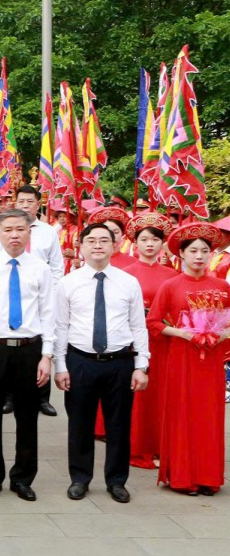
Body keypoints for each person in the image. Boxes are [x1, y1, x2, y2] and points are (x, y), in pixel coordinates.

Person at [53, 224, 149, 503]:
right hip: (80, 360)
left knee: (118, 425)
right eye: (91, 241)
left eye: (104, 241)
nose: (97, 245)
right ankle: (80, 479)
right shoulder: (68, 282)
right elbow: (60, 326)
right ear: (81, 246)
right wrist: (61, 365)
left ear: (114, 245)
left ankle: (117, 481)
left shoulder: (128, 282)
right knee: (79, 424)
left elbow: (138, 326)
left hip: (119, 362)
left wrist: (141, 365)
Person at [0, 210, 56, 502]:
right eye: (8, 230)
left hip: (29, 349)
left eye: (20, 229)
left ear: (29, 232)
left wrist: (47, 355)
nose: (14, 235)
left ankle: (22, 478)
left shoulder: (40, 268)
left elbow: (48, 314)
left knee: (27, 416)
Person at [147, 222, 230, 495]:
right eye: (193, 250)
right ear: (181, 254)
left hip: (211, 361)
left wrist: (220, 335)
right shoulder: (171, 286)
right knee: (182, 415)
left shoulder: (221, 286)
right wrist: (185, 334)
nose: (199, 256)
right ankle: (182, 477)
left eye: (204, 251)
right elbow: (155, 323)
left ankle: (208, 477)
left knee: (210, 418)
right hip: (181, 358)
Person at [122, 212, 176, 469]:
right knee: (138, 395)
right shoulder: (125, 274)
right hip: (134, 340)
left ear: (162, 243)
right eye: (144, 239)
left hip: (164, 340)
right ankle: (137, 446)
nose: (150, 244)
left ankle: (160, 446)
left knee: (161, 394)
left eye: (155, 239)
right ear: (135, 243)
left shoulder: (172, 274)